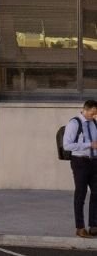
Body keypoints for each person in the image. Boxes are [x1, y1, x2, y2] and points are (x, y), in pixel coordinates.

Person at [65, 99, 97, 237]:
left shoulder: (94, 123)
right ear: (85, 109)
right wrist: (89, 144)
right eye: (93, 113)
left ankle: (94, 226)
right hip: (80, 163)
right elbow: (67, 145)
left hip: (95, 162)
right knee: (81, 194)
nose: (94, 115)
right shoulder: (74, 123)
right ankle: (80, 227)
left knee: (96, 193)